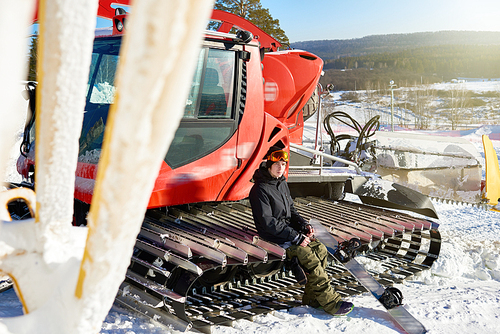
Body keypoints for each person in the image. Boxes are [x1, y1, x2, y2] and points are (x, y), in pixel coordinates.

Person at [249, 146, 354, 316]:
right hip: (273, 237)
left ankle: (312, 298)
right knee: (308, 256)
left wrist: (303, 226)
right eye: (277, 164)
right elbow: (268, 223)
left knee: (320, 248)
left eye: (283, 164)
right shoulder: (260, 190)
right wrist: (296, 237)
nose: (280, 167)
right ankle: (331, 303)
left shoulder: (281, 183)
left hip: (287, 233)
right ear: (269, 164)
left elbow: (291, 211)